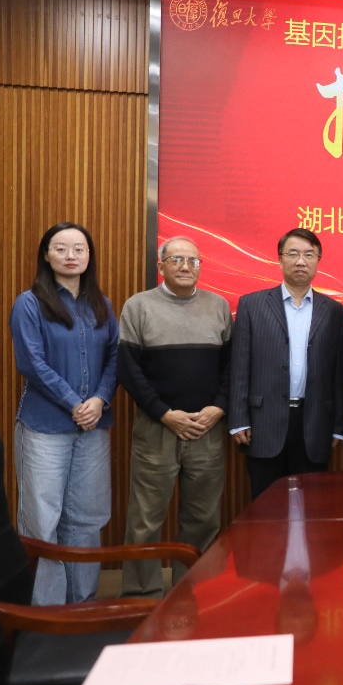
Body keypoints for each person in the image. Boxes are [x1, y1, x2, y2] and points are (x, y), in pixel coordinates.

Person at [9, 223, 118, 605]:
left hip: (93, 428)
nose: (71, 255)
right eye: (61, 248)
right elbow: (31, 363)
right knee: (42, 522)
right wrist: (75, 402)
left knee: (87, 519)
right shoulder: (29, 303)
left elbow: (115, 356)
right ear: (46, 255)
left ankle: (82, 605)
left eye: (79, 249)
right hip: (45, 428)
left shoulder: (100, 304)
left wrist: (100, 399)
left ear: (89, 256)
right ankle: (47, 612)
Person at [118, 236, 232, 597]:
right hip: (157, 428)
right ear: (161, 266)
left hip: (207, 428)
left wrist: (219, 407)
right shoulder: (139, 306)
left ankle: (191, 595)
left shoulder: (218, 306)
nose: (186, 266)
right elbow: (128, 370)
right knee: (145, 519)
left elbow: (232, 366)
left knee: (203, 518)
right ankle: (141, 597)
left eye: (193, 261)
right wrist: (164, 414)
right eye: (177, 260)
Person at [230, 228, 343, 498]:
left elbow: (339, 375)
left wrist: (340, 426)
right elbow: (239, 366)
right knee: (265, 505)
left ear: (318, 260)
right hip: (263, 422)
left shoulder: (337, 313)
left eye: (309, 255)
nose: (300, 261)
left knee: (312, 505)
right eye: (293, 254)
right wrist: (238, 419)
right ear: (280, 259)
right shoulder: (252, 305)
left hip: (315, 423)